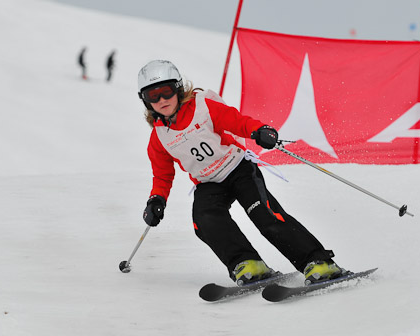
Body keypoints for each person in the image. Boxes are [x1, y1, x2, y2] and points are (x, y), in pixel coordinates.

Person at [137, 60, 344, 286]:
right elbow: (163, 175)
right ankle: (248, 264)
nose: (161, 100)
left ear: (177, 88)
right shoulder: (159, 139)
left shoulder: (203, 107)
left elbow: (235, 121)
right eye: (152, 96)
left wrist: (259, 130)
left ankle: (318, 262)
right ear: (145, 101)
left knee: (265, 216)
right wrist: (156, 200)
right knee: (204, 221)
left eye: (166, 92)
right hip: (208, 183)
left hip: (238, 168)